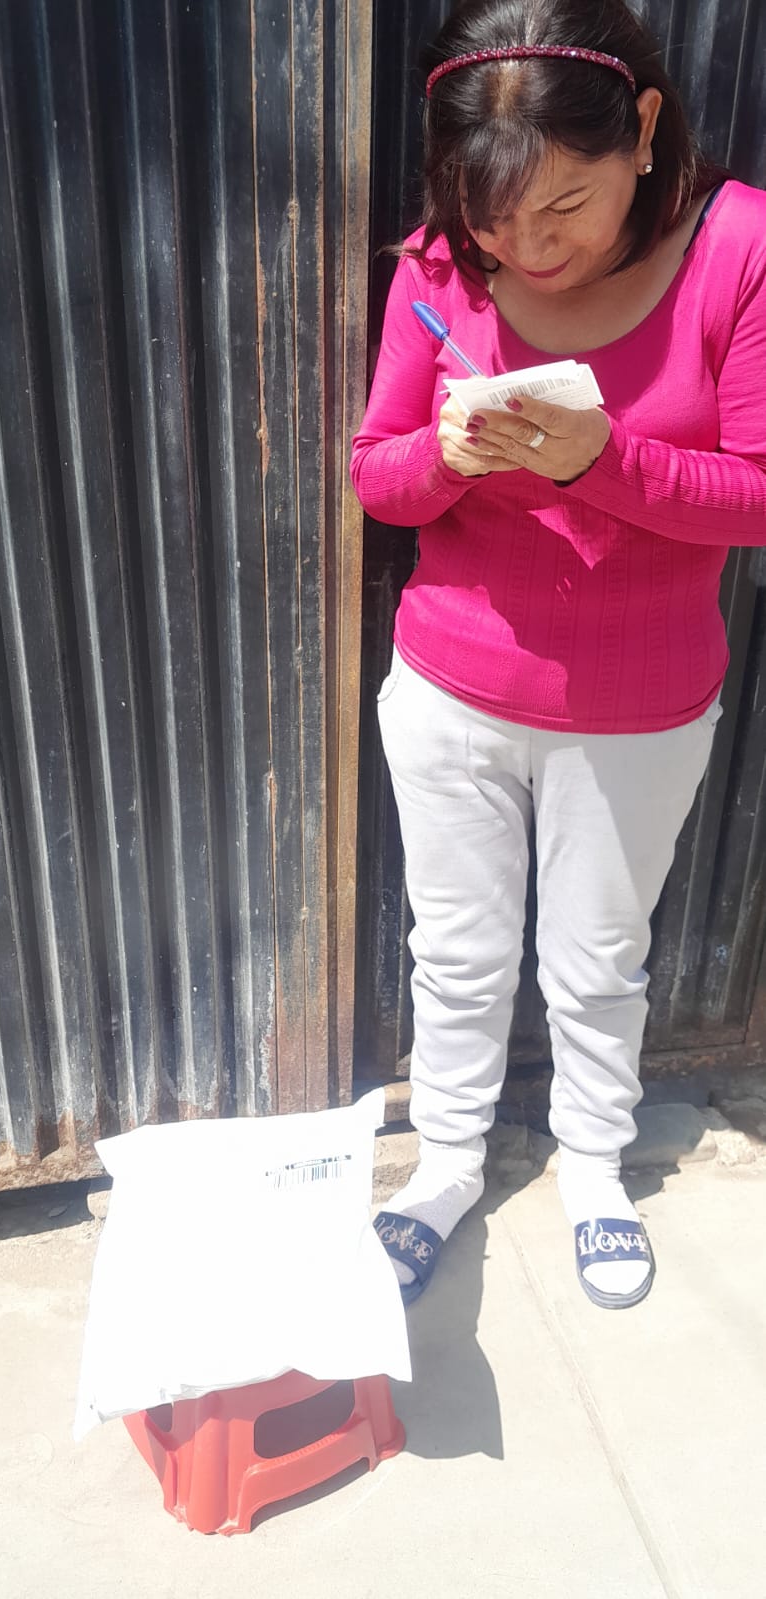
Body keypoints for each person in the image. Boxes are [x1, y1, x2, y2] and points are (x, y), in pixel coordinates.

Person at [351, 0, 766, 1310]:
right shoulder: (441, 264)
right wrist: (443, 457)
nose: (530, 250)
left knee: (598, 961)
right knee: (458, 957)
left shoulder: (740, 248)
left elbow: (760, 492)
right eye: (495, 220)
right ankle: (446, 1166)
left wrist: (607, 463)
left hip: (640, 706)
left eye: (566, 206)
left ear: (642, 129)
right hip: (451, 690)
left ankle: (593, 1165)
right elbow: (376, 475)